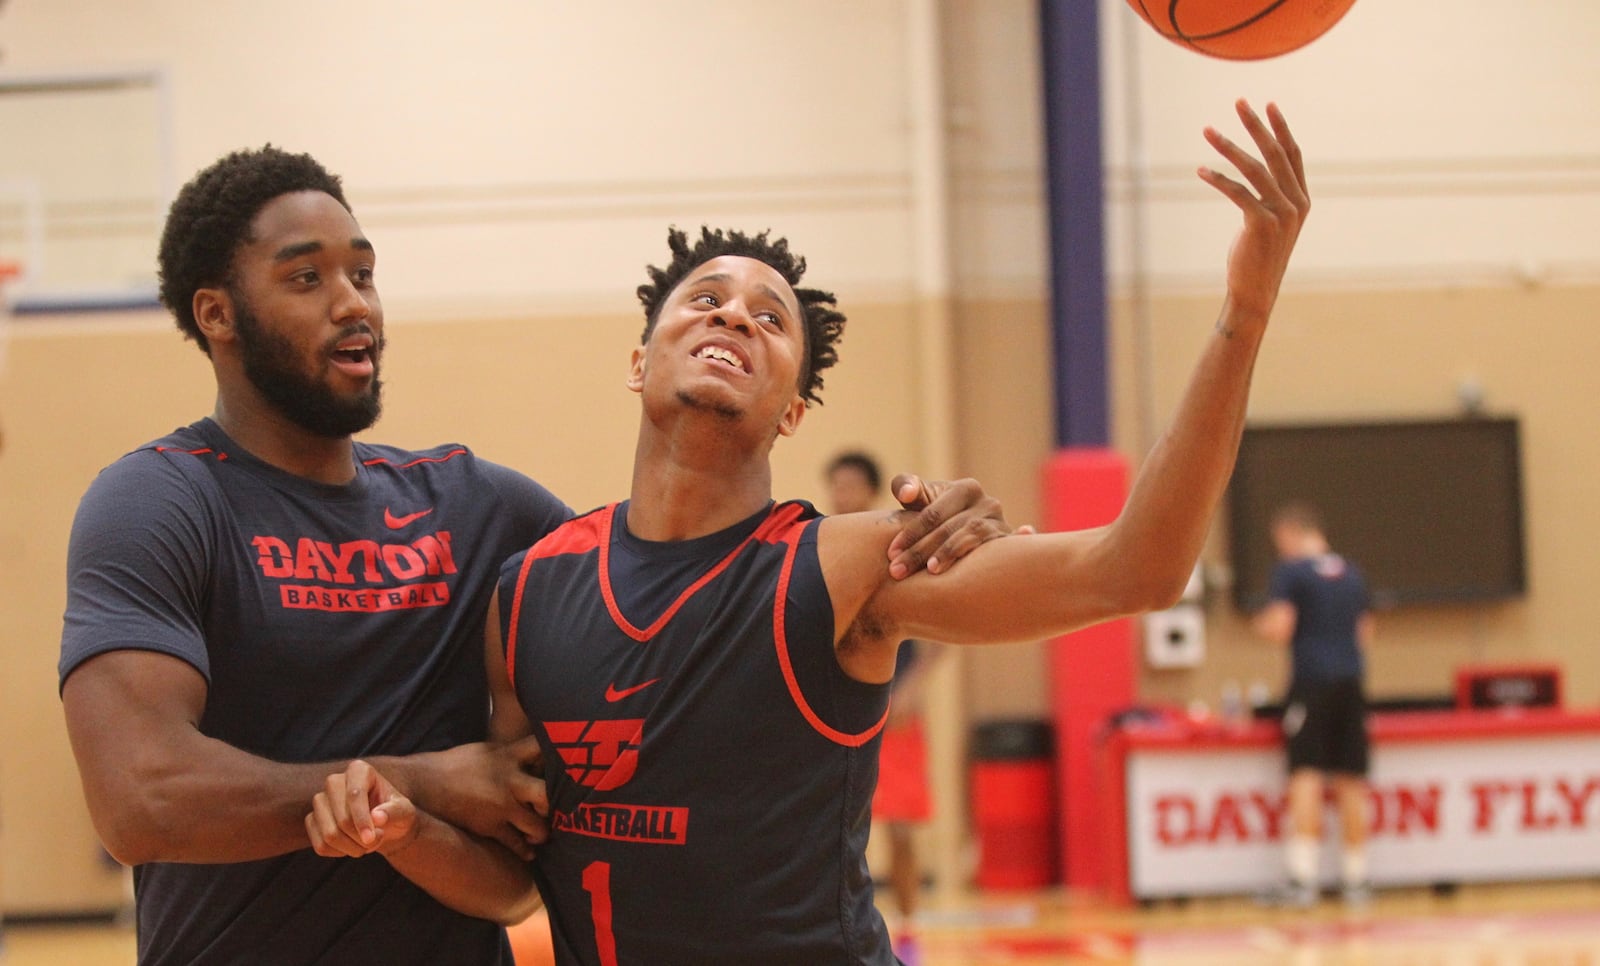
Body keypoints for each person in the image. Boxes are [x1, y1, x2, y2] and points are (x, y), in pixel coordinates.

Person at [316, 97, 1308, 964]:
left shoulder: (842, 566)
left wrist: (1246, 311)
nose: (734, 316)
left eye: (770, 317)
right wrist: (404, 831)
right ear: (639, 359)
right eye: (705, 299)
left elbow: (1129, 570)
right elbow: (514, 879)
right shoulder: (529, 591)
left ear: (792, 410)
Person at [58, 145, 1013, 966]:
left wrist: (937, 527)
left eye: (364, 272)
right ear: (218, 315)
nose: (355, 305)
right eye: (307, 278)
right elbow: (142, 800)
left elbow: (689, 596)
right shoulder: (161, 500)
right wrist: (422, 778)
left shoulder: (478, 505)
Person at [825, 450, 938, 959]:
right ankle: (843, 929)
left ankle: (909, 930)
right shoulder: (824, 543)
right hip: (842, 711)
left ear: (870, 490)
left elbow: (938, 630)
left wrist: (912, 688)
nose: (842, 493)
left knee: (901, 829)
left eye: (851, 484)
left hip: (896, 714)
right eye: (837, 484)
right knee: (839, 830)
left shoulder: (898, 546)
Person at [1251, 501, 1375, 908]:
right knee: (1350, 777)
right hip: (1352, 683)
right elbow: (1365, 634)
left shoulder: (1292, 573)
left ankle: (1302, 879)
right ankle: (1356, 879)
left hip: (1311, 685)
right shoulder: (1353, 574)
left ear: (1289, 533)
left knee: (1305, 773)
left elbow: (1281, 626)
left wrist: (1261, 625)